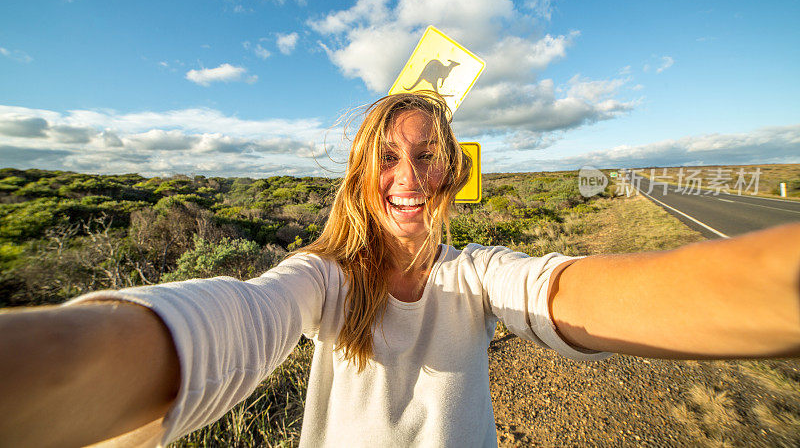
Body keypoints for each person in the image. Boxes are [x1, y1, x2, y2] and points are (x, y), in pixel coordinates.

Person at [1, 92, 799, 448]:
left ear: (451, 172)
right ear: (360, 175)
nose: (406, 174)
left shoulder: (478, 275)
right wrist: (69, 357)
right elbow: (244, 318)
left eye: (425, 156)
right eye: (386, 157)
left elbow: (565, 291)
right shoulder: (326, 280)